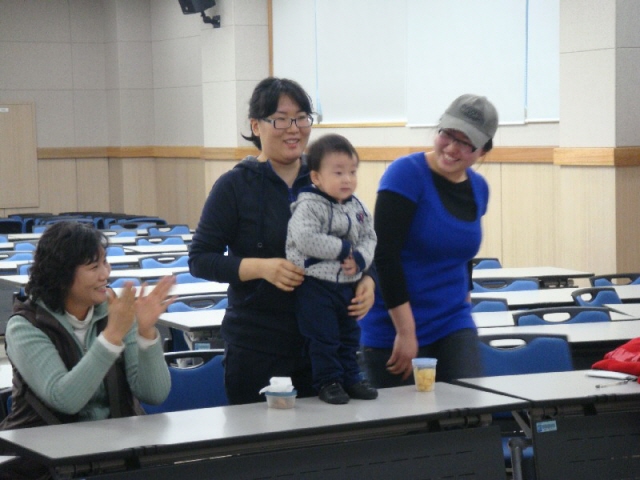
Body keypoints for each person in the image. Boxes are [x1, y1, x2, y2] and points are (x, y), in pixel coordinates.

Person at [189, 77, 376, 405]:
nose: (294, 129)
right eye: (280, 119)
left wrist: (368, 280)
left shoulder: (326, 178)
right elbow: (200, 259)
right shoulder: (234, 186)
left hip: (326, 349)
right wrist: (261, 268)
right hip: (259, 347)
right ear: (255, 126)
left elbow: (362, 237)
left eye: (302, 118)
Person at [0, 221, 174, 479]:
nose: (105, 274)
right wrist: (111, 337)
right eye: (94, 267)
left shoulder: (115, 312)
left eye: (105, 263)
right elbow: (65, 399)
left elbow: (155, 394)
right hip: (43, 459)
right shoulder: (25, 326)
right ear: (61, 275)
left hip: (116, 451)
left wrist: (146, 333)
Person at [359, 94, 499, 388]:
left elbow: (461, 254)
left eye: (466, 143)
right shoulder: (405, 174)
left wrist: (464, 300)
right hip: (394, 325)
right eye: (448, 134)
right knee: (407, 415)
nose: (452, 148)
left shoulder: (479, 188)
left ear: (483, 150)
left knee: (468, 407)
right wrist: (406, 331)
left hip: (452, 321)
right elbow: (384, 256)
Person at [286, 134, 378, 404]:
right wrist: (343, 249)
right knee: (323, 338)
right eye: (338, 173)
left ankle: (352, 377)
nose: (347, 179)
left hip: (347, 284)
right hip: (315, 285)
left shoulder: (357, 207)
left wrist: (360, 258)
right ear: (316, 177)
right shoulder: (308, 205)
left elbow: (370, 237)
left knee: (349, 335)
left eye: (352, 172)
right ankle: (328, 381)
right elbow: (305, 238)